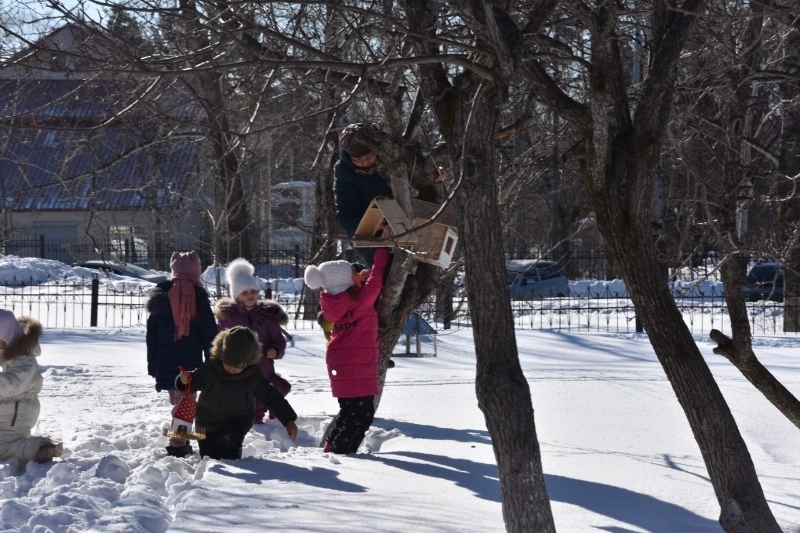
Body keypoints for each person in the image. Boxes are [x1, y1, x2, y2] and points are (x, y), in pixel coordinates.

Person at [304, 247, 390, 454]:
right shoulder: (362, 299)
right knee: (361, 414)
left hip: (340, 362)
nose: (358, 273)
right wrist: (381, 251)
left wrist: (358, 279)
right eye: (354, 272)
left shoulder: (334, 302)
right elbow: (377, 279)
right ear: (346, 280)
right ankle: (342, 454)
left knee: (349, 410)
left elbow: (359, 289)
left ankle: (330, 449)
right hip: (356, 363)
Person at [177, 326, 298, 460]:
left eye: (238, 365)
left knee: (229, 448)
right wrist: (184, 380)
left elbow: (272, 397)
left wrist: (288, 419)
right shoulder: (210, 368)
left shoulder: (253, 375)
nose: (232, 369)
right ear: (221, 355)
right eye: (228, 363)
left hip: (238, 419)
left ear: (248, 362)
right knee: (209, 458)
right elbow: (191, 384)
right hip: (206, 420)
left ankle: (234, 467)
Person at [146, 251, 217, 458]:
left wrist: (152, 365)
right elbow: (209, 335)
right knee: (185, 404)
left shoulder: (160, 298)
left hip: (164, 360)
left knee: (180, 401)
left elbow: (152, 336)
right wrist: (212, 363)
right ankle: (178, 444)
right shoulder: (198, 297)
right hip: (189, 362)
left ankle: (179, 437)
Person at [215, 258, 291, 424]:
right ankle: (250, 422)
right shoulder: (229, 317)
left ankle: (262, 417)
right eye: (245, 292)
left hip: (263, 364)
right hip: (238, 364)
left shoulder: (267, 316)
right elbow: (219, 340)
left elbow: (278, 339)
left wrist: (275, 350)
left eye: (253, 291)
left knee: (266, 390)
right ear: (237, 295)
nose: (250, 295)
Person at [0, 309, 63, 463]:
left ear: (7, 336)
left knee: (3, 446)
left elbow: (13, 385)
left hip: (20, 409)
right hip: (9, 407)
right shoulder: (9, 350)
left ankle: (40, 448)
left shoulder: (25, 359)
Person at [333, 122, 393, 267]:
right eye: (357, 160)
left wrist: (435, 174)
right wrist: (373, 225)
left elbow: (419, 169)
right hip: (369, 236)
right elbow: (345, 215)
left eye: (368, 157)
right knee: (382, 269)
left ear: (377, 150)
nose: (364, 163)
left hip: (408, 221)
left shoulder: (393, 157)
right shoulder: (344, 172)